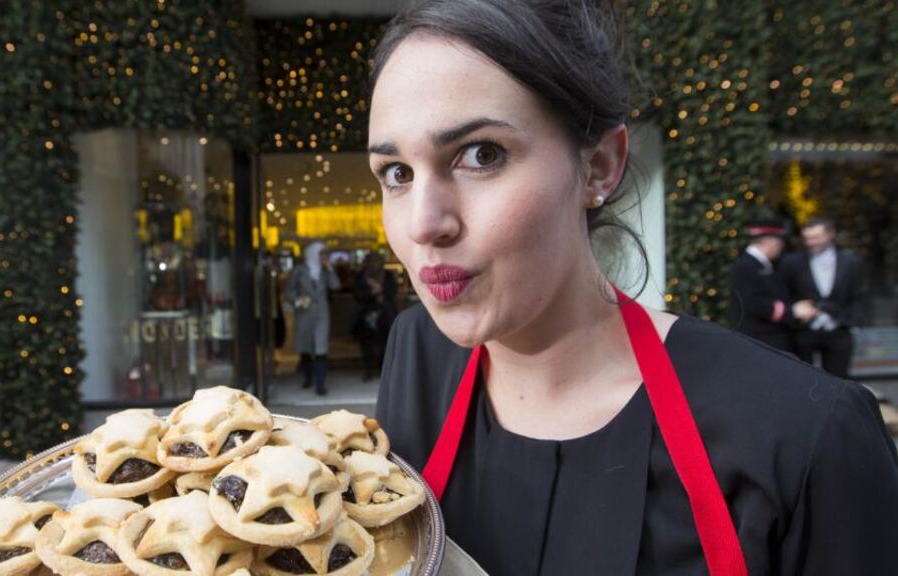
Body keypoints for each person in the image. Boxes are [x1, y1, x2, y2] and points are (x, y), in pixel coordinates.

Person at [367, 1, 898, 574]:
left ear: (598, 165)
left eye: (481, 155)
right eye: (397, 173)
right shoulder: (417, 354)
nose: (423, 224)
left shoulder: (807, 436)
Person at [781, 218, 865, 378]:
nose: (811, 242)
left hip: (839, 330)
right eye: (807, 238)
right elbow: (784, 293)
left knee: (838, 380)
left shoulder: (851, 262)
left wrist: (852, 324)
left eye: (816, 237)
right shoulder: (791, 262)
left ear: (831, 234)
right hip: (803, 331)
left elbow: (857, 295)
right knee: (802, 378)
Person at [727, 220, 815, 352]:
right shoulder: (745, 266)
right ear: (772, 242)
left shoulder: (763, 265)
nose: (781, 247)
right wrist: (793, 311)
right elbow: (754, 303)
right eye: (781, 242)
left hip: (765, 339)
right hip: (759, 340)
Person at [285, 242, 340, 395]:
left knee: (321, 349)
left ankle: (320, 385)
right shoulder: (300, 270)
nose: (323, 257)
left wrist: (329, 268)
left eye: (324, 254)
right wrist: (297, 300)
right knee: (305, 348)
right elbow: (289, 291)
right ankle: (308, 377)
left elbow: (335, 286)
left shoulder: (325, 270)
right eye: (321, 254)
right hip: (305, 313)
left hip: (322, 314)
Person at [352, 252, 398, 381]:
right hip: (365, 314)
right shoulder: (361, 276)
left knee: (385, 344)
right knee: (366, 344)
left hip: (385, 315)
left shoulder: (387, 275)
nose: (374, 264)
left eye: (376, 261)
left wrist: (381, 289)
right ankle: (368, 370)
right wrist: (372, 292)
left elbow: (392, 291)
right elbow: (357, 293)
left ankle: (383, 370)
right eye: (371, 262)